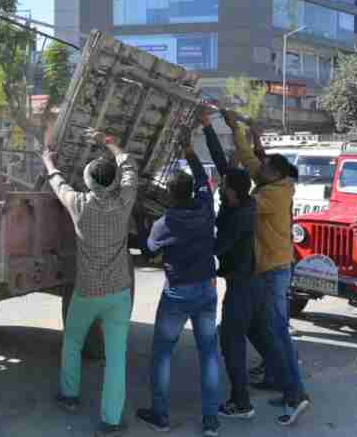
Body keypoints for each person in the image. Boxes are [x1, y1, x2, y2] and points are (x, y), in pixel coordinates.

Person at [41, 128, 136, 437]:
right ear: (113, 182)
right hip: (119, 293)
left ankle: (69, 396)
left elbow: (58, 184)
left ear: (90, 182)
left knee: (72, 341)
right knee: (116, 359)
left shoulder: (79, 205)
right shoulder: (124, 202)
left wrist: (48, 161)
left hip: (87, 291)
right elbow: (128, 165)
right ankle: (111, 420)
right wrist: (108, 141)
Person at [223, 109, 310, 426]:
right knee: (262, 329)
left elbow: (240, 204)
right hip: (267, 269)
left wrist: (228, 180)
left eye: (264, 169)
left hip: (273, 270)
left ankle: (295, 392)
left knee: (275, 332)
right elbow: (253, 161)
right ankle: (285, 383)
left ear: (274, 174)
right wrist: (241, 131)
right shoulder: (276, 180)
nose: (258, 171)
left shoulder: (273, 195)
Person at [131, 132, 221, 437]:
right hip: (207, 289)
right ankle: (211, 420)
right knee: (209, 352)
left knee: (163, 353)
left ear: (169, 196)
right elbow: (202, 182)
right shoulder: (206, 209)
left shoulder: (165, 223)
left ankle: (161, 415)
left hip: (178, 292)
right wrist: (189, 152)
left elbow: (147, 250)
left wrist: (141, 222)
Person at [199, 107, 258, 420]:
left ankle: (242, 401)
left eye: (224, 188)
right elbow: (223, 163)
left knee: (231, 340)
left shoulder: (240, 218)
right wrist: (208, 126)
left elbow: (217, 246)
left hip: (242, 283)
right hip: (243, 279)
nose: (220, 188)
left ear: (233, 193)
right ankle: (286, 386)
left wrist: (192, 240)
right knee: (260, 332)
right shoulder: (241, 200)